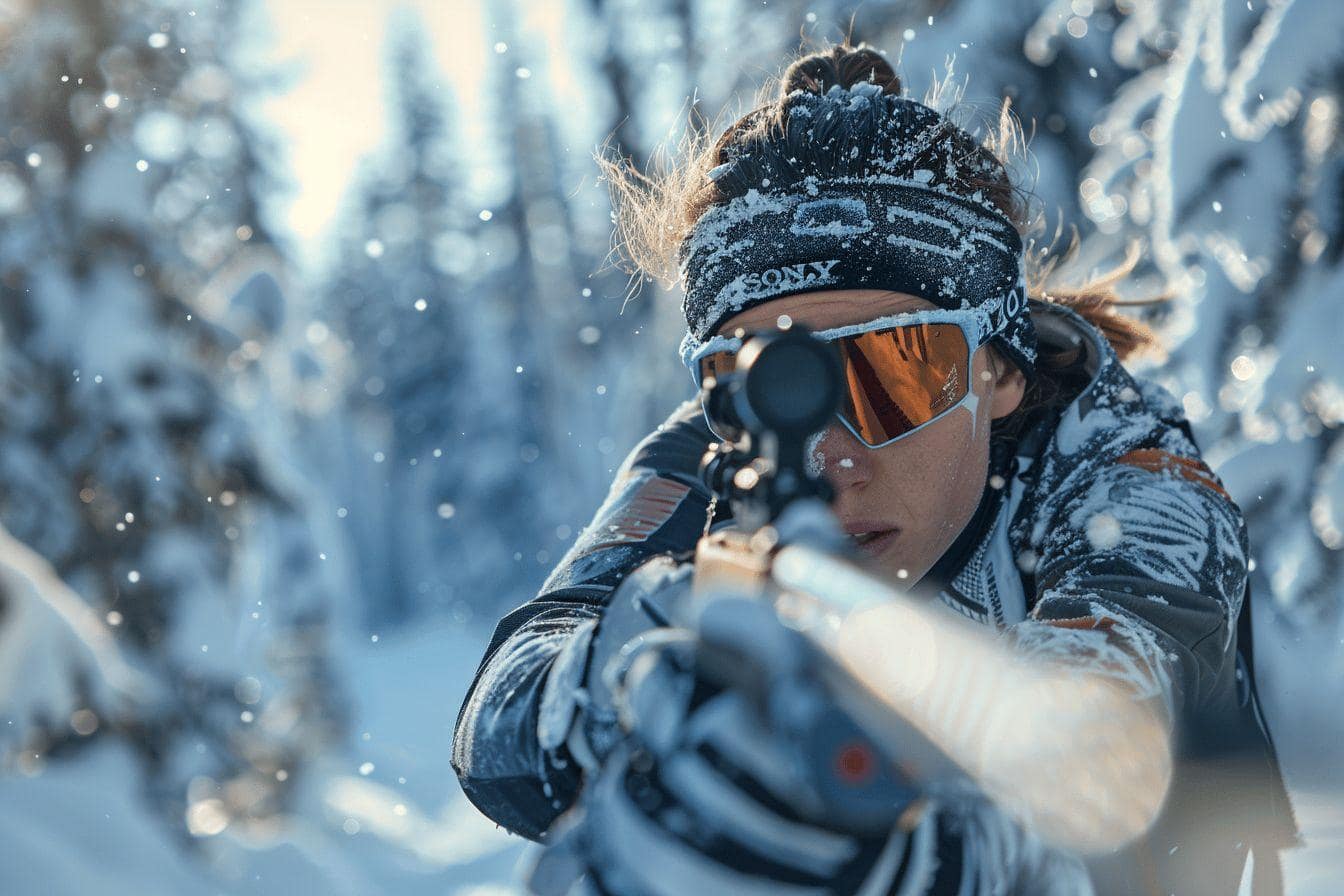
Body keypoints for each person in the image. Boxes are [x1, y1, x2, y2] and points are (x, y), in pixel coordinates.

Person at [452, 43, 1297, 895]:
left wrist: (935, 848)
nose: (829, 458)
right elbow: (499, 723)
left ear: (997, 370)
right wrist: (620, 677)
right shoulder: (717, 452)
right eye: (760, 385)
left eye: (896, 373)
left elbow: (1092, 732)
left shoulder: (1130, 472)